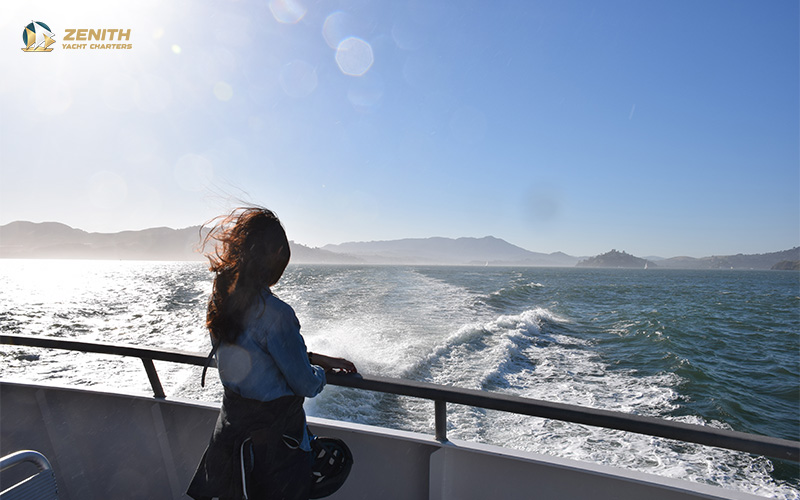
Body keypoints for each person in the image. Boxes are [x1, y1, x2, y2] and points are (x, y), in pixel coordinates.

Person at [187, 207, 357, 500]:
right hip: (274, 454)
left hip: (230, 441)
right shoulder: (276, 314)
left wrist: (314, 356)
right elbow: (305, 383)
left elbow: (256, 356)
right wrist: (319, 372)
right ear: (276, 253)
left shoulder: (221, 299)